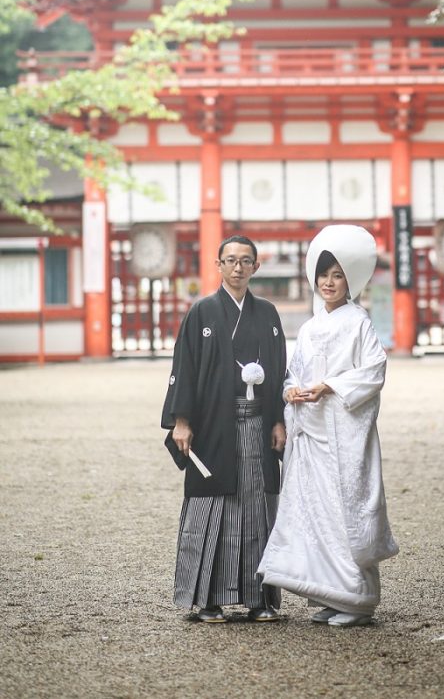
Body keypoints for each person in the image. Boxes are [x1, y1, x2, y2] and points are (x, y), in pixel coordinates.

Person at [258, 223, 398, 627]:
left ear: (349, 280)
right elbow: (293, 374)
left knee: (345, 508)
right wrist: (291, 392)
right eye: (324, 275)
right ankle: (329, 593)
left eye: (337, 275)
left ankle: (357, 599)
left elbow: (374, 369)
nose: (329, 282)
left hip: (343, 432)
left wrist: (331, 386)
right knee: (313, 511)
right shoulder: (310, 327)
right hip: (312, 433)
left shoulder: (358, 321)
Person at [161, 235, 286, 623]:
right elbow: (184, 368)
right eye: (230, 260)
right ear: (218, 265)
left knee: (256, 508)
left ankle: (258, 599)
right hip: (214, 423)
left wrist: (279, 419)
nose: (237, 267)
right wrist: (182, 421)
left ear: (255, 267)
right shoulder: (201, 312)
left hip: (258, 422)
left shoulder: (266, 314)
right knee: (210, 504)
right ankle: (208, 599)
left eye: (245, 261)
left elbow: (281, 370)